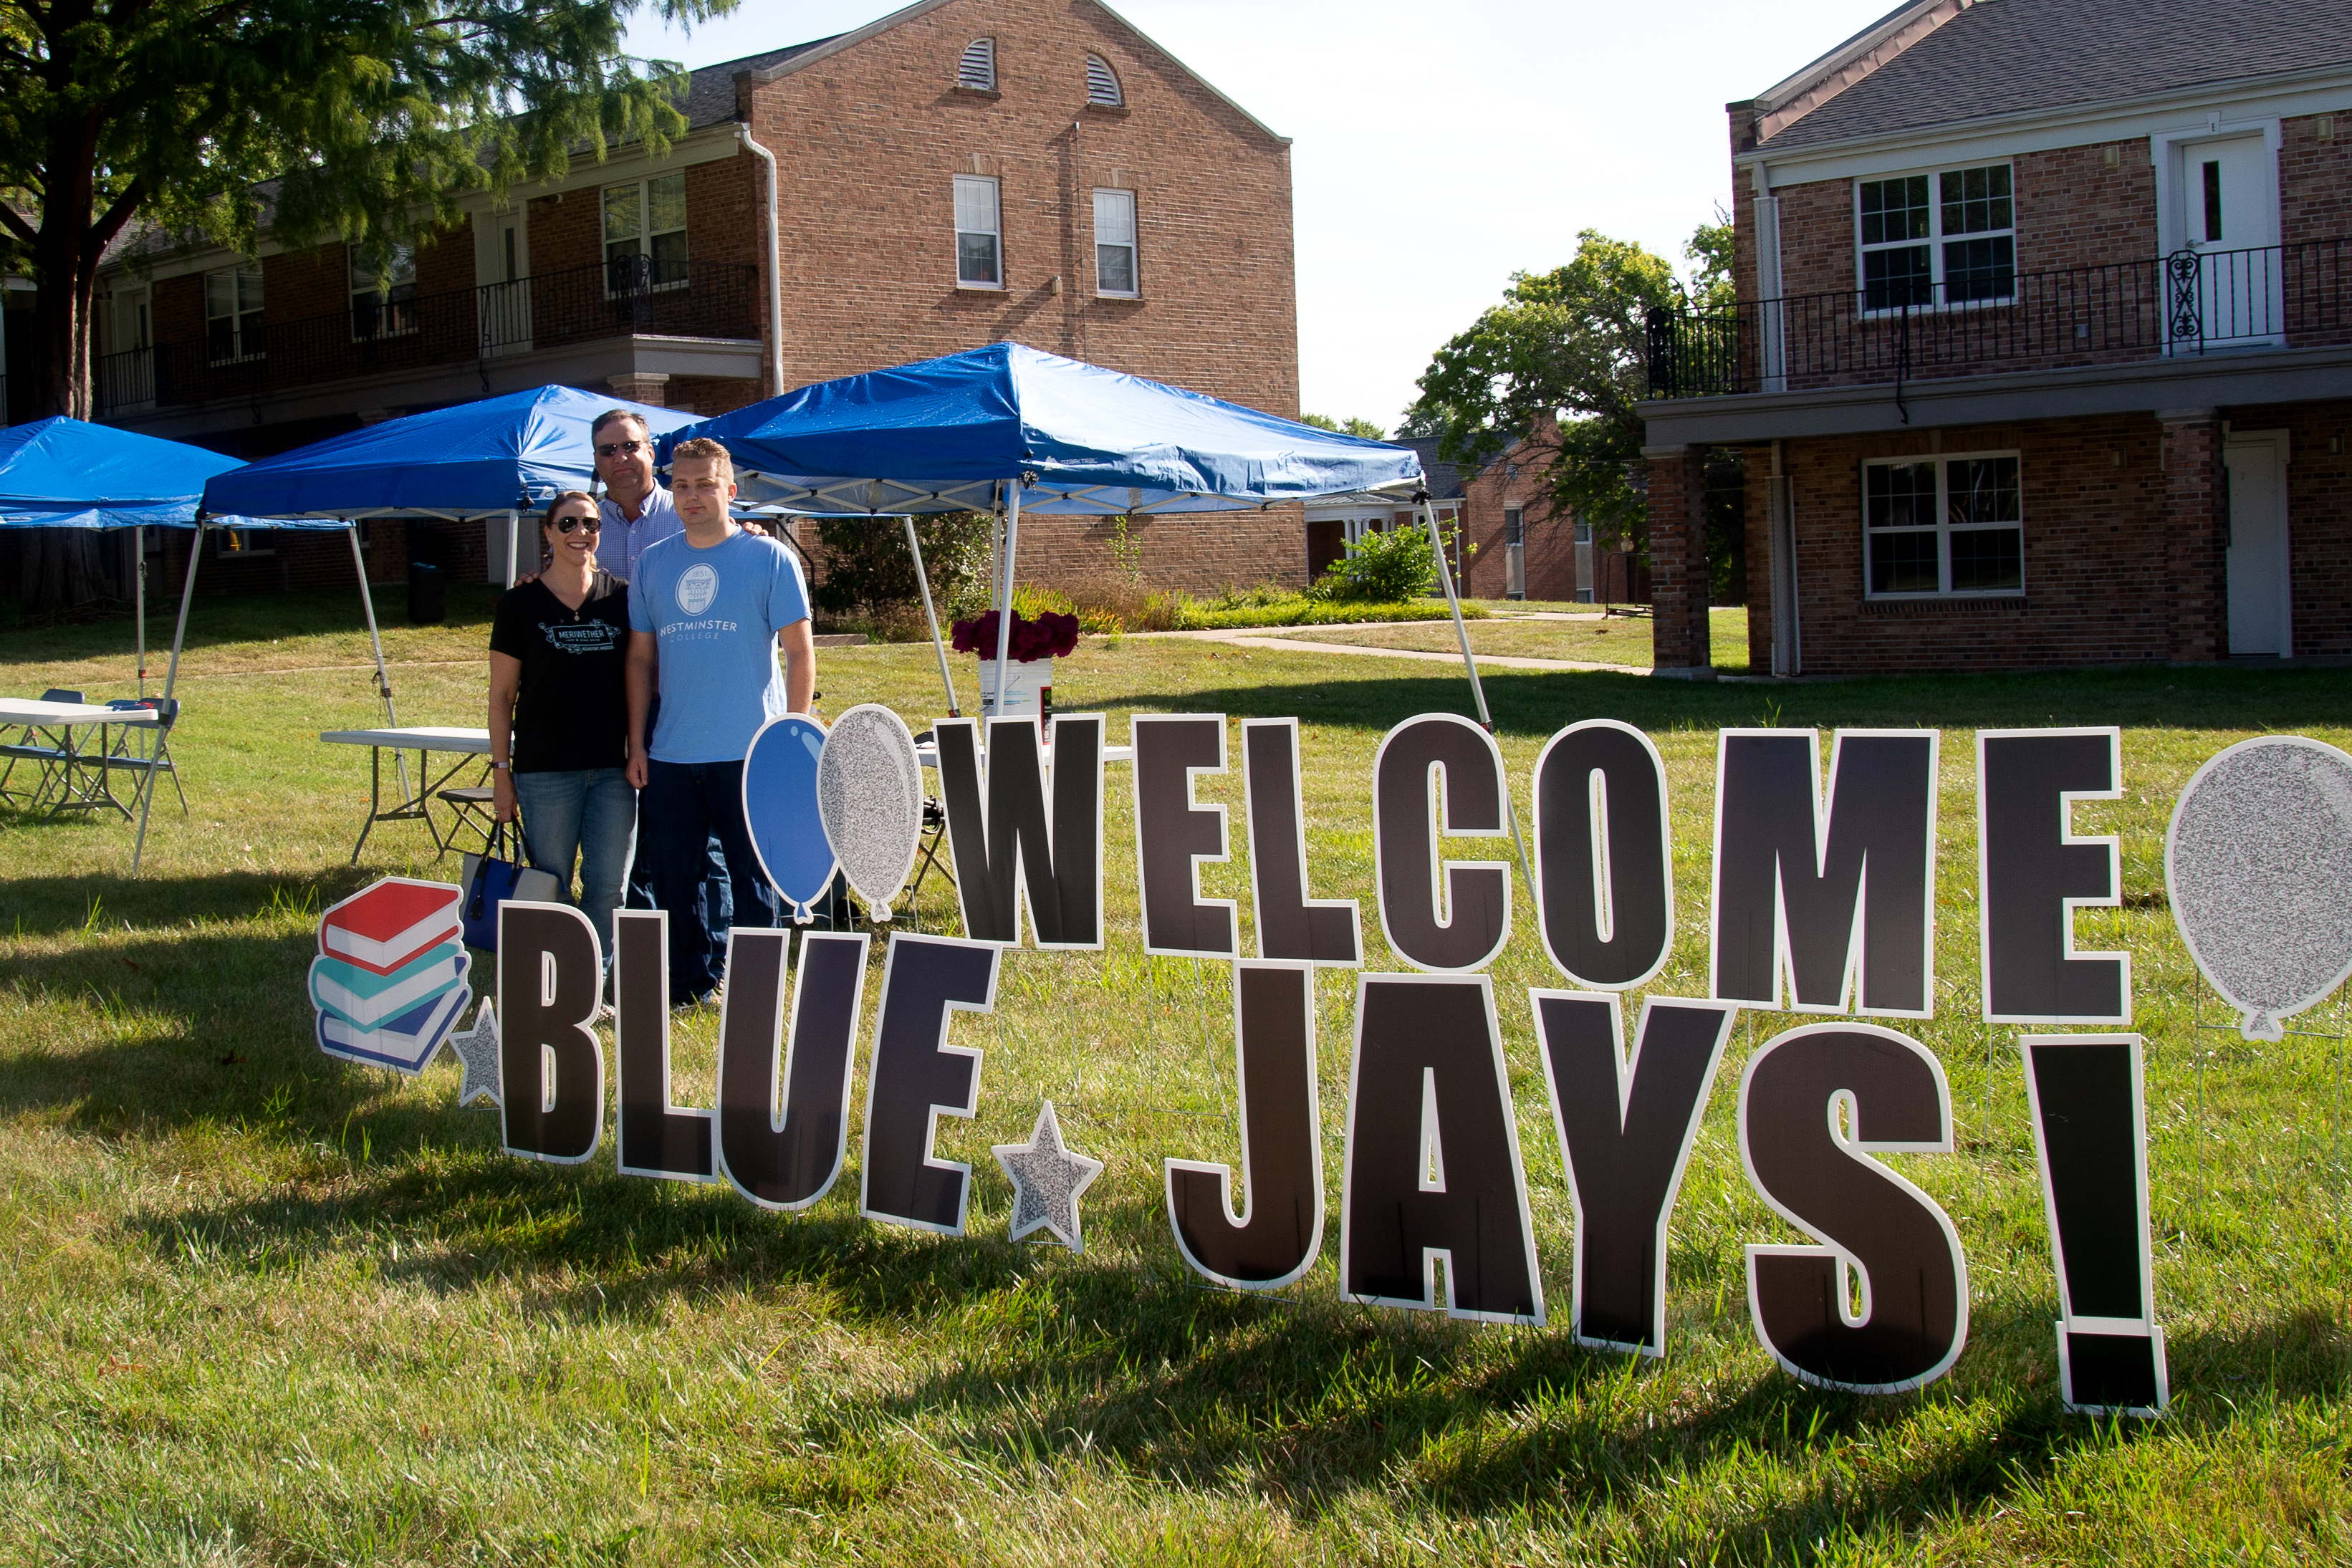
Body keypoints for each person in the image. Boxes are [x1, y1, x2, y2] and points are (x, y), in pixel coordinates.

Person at [625, 436, 816, 1006]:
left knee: (754, 880)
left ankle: (756, 989)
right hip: (671, 753)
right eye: (681, 485)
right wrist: (637, 740)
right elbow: (639, 659)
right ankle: (690, 985)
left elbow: (800, 653)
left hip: (750, 751)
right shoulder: (652, 564)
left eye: (705, 484)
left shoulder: (769, 559)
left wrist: (790, 735)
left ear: (730, 491)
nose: (692, 496)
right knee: (675, 880)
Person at [488, 490, 636, 966]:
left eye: (591, 525)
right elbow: (500, 696)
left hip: (612, 769)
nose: (581, 533)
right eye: (568, 524)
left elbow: (641, 674)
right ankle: (559, 978)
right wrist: (500, 773)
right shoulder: (519, 603)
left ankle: (594, 982)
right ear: (548, 532)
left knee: (608, 884)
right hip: (545, 770)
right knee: (549, 880)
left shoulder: (623, 599)